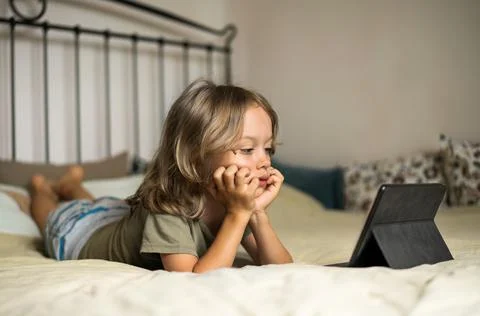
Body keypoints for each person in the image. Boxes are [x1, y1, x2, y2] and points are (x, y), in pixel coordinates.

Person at [28, 79, 293, 273]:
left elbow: (282, 268)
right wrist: (238, 215)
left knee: (97, 206)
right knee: (55, 217)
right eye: (247, 149)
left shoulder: (236, 200)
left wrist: (256, 213)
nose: (264, 160)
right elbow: (194, 281)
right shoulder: (171, 205)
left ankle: (72, 184)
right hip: (82, 236)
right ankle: (40, 190)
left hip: (113, 216)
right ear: (196, 155)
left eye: (268, 148)